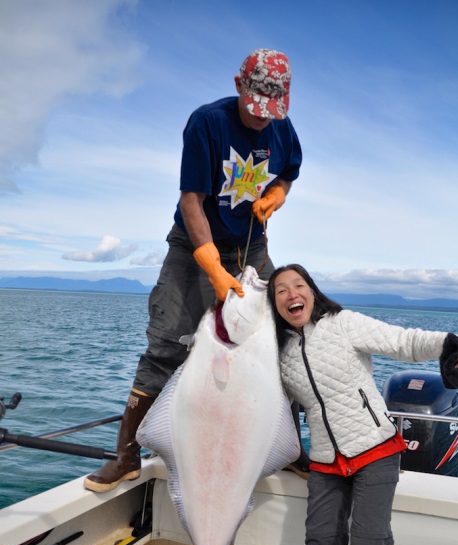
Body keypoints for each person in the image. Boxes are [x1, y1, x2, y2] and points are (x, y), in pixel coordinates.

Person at [84, 48, 303, 493]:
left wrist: (278, 193)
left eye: (272, 110)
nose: (263, 118)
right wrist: (210, 266)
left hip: (250, 245)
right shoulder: (207, 122)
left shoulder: (281, 125)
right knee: (166, 346)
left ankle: (286, 450)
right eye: (256, 108)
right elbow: (191, 201)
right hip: (193, 246)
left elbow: (291, 170)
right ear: (239, 86)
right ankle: (126, 456)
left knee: (285, 338)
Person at [267, 263, 458, 545]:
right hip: (324, 462)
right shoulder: (276, 352)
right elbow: (265, 401)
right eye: (280, 290)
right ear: (275, 304)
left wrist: (446, 342)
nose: (290, 294)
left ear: (312, 292)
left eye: (298, 285)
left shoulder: (343, 323)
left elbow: (401, 340)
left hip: (376, 453)